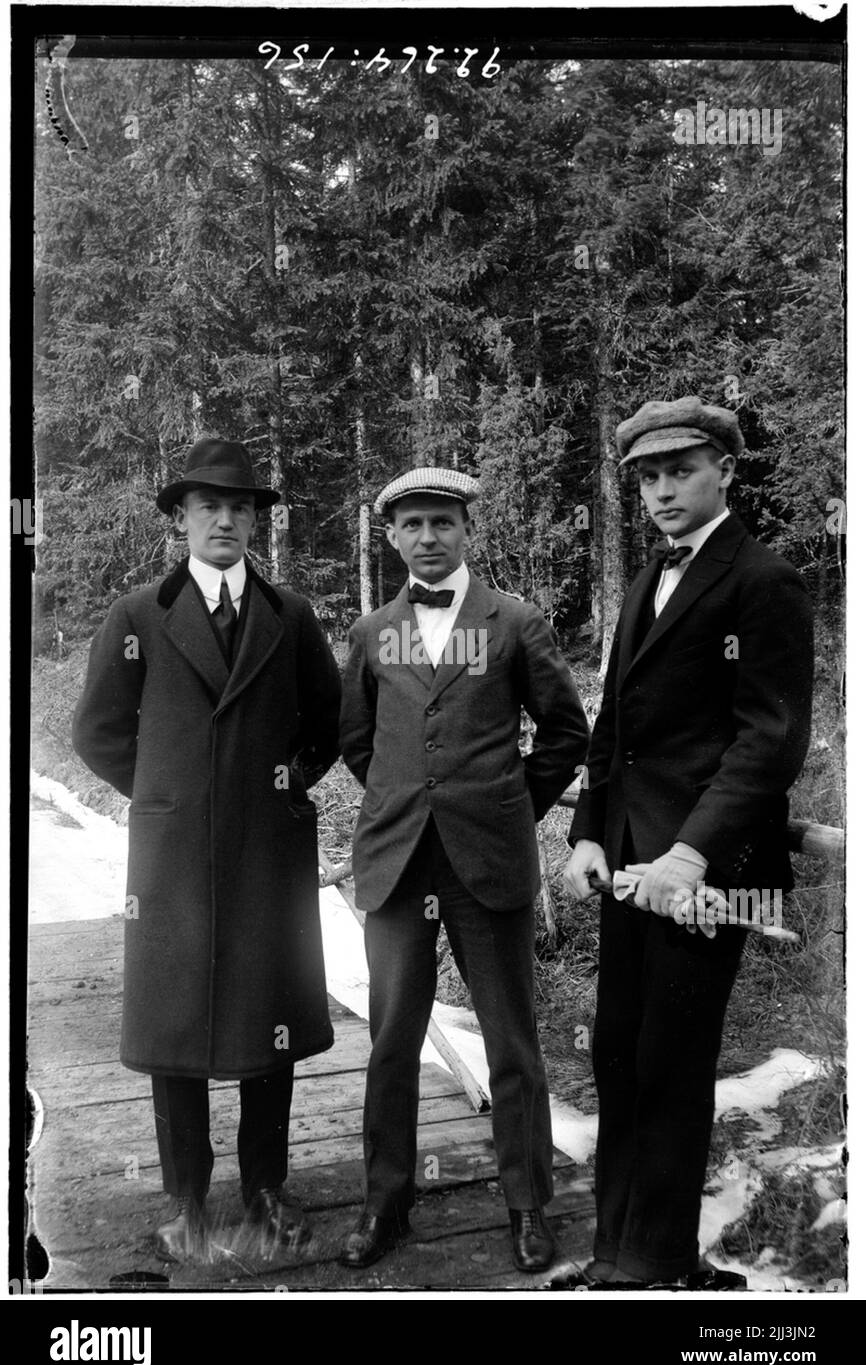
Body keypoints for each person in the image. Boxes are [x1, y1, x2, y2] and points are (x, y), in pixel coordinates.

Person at [563, 397, 814, 1289]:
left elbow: (768, 741)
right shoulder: (644, 583)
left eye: (681, 471)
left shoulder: (763, 580)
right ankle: (612, 1252)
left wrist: (692, 854)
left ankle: (661, 1263)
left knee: (673, 1058)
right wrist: (587, 832)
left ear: (725, 472)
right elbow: (614, 728)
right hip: (629, 864)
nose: (663, 491)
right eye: (649, 477)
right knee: (620, 1051)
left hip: (709, 873)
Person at [72, 439, 342, 1261]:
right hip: (173, 855)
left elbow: (326, 726)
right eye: (208, 507)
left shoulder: (289, 615)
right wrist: (163, 795)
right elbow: (98, 733)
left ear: (255, 521)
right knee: (174, 1018)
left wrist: (288, 782)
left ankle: (267, 1186)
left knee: (273, 1018)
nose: (225, 520)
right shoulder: (138, 616)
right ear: (181, 521)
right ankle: (185, 1196)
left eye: (240, 508)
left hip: (268, 849)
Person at [338, 466, 589, 1272]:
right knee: (391, 1041)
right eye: (411, 525)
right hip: (398, 863)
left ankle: (527, 1206)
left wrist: (512, 804)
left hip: (489, 858)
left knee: (512, 1042)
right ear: (391, 538)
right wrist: (403, 797)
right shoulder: (373, 632)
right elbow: (358, 742)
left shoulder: (515, 622)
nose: (428, 538)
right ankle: (387, 1203)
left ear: (467, 529)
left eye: (442, 522)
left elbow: (563, 733)